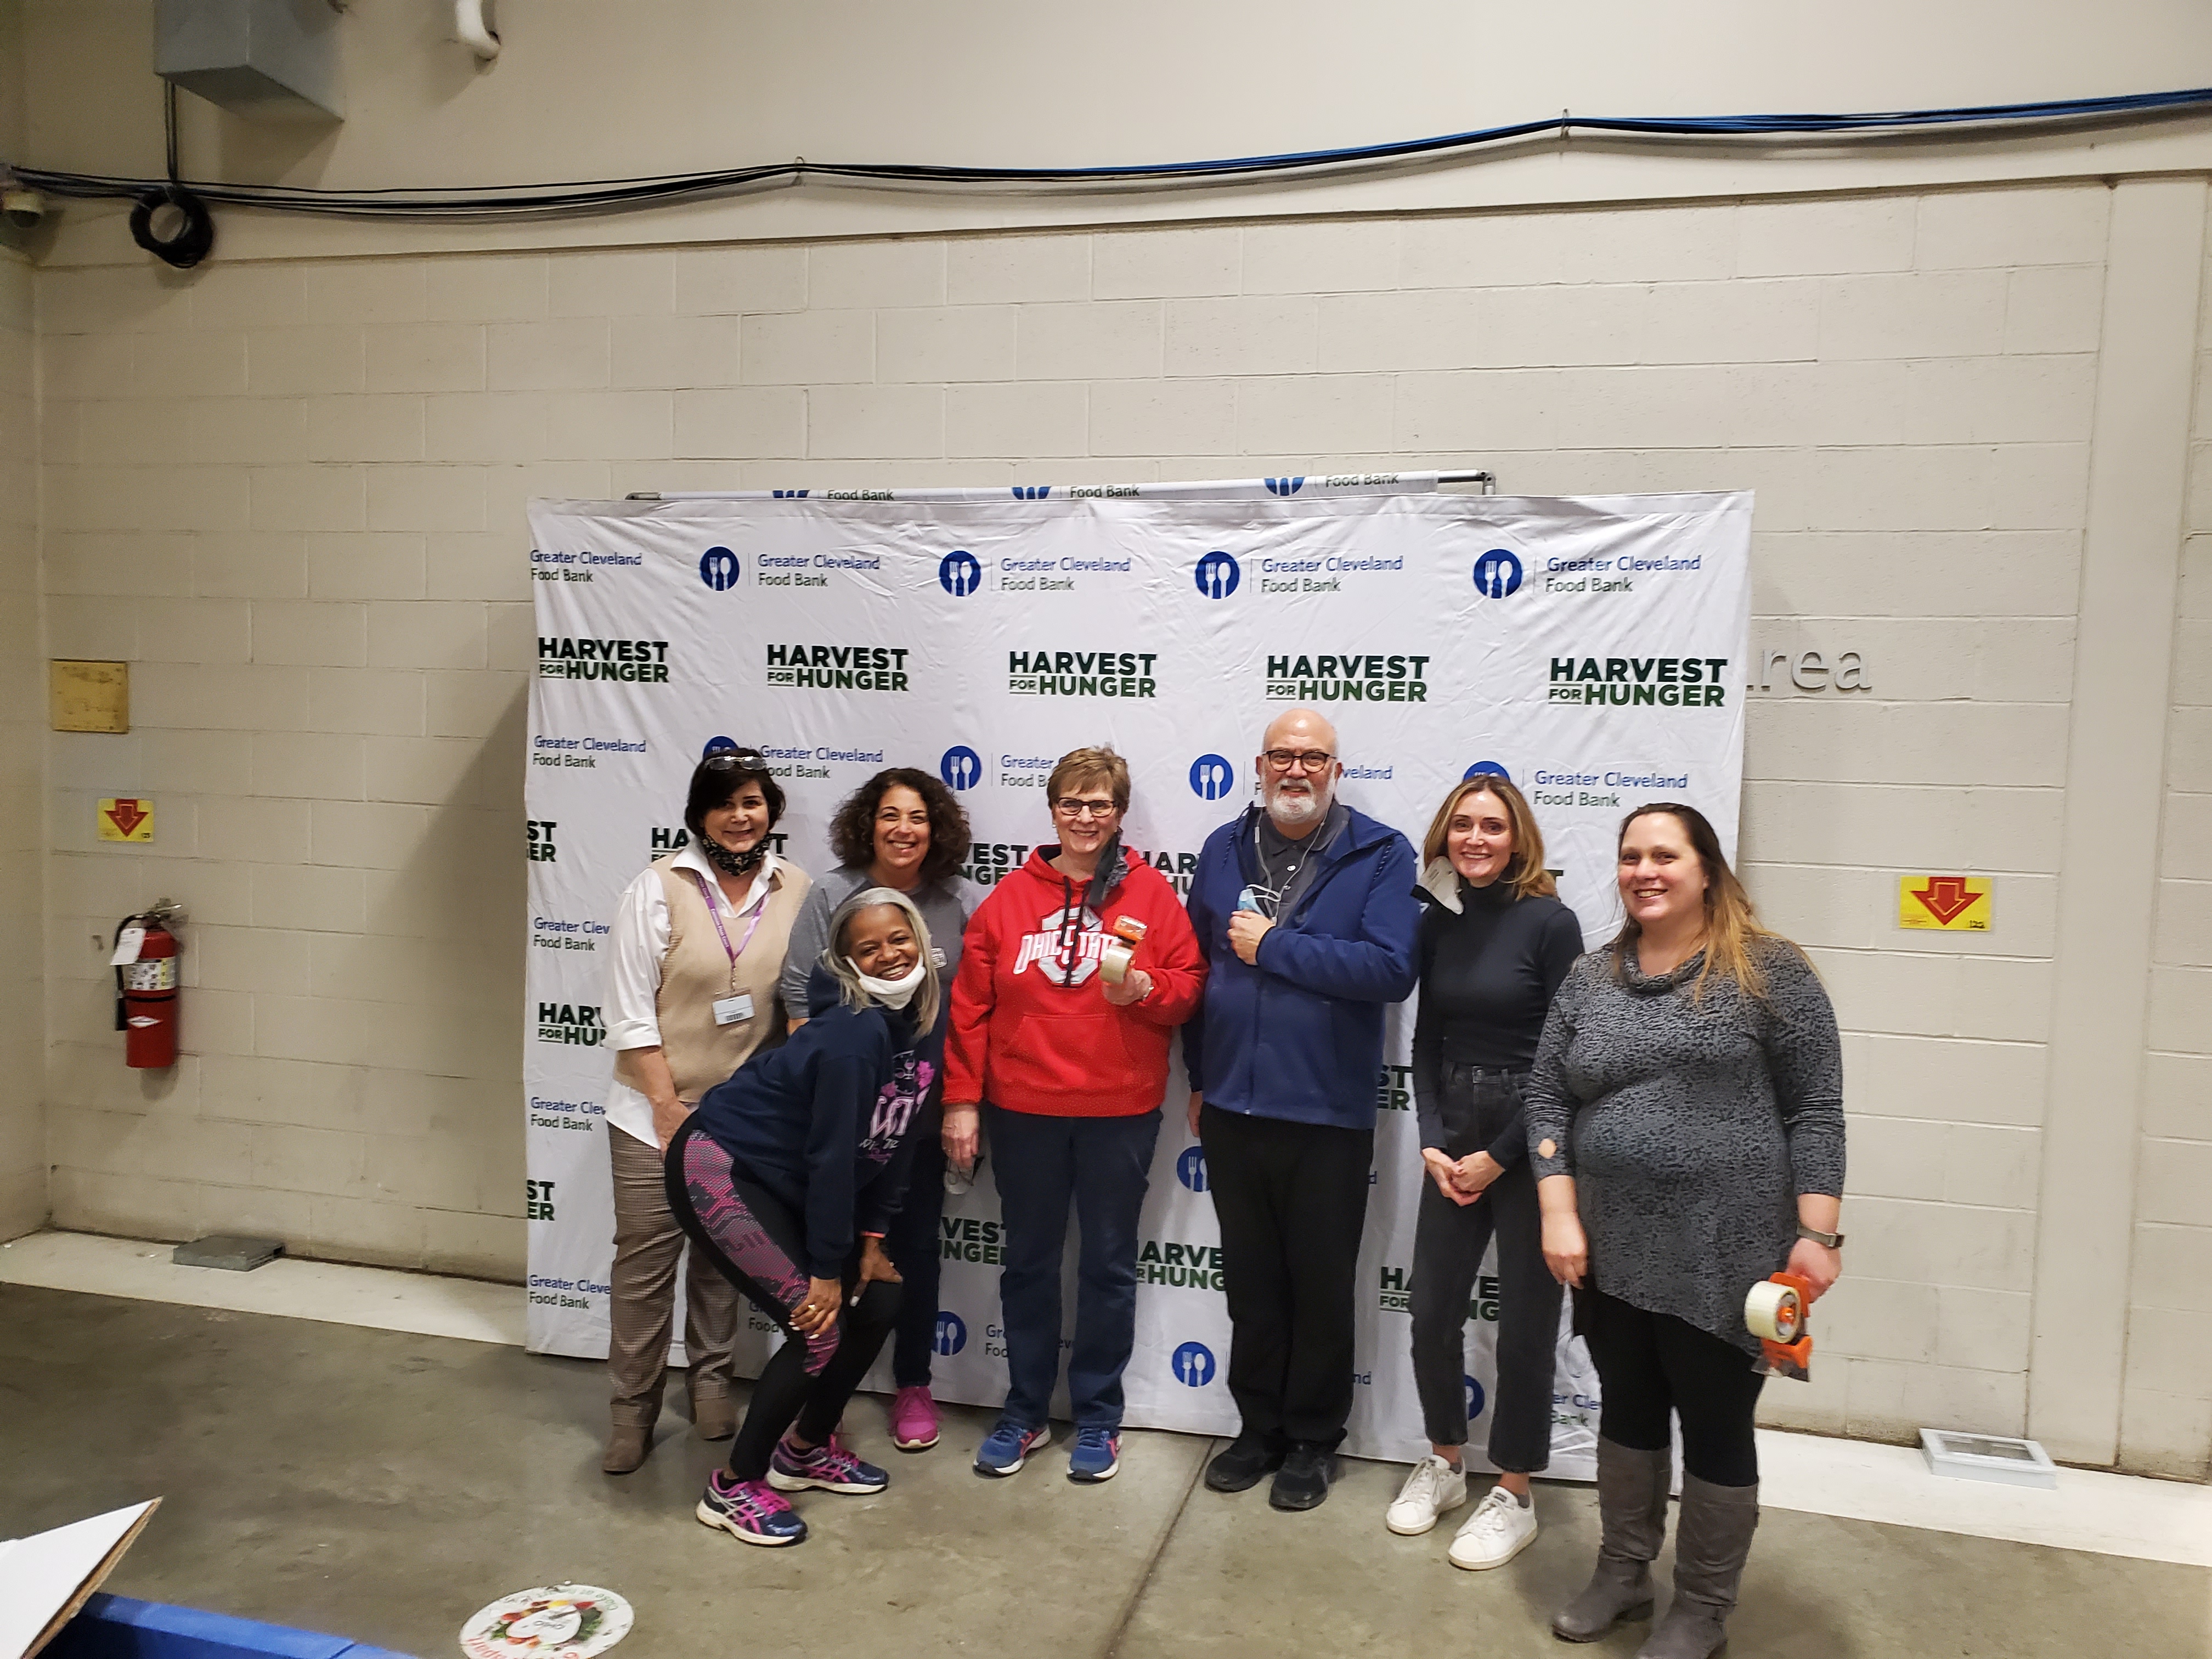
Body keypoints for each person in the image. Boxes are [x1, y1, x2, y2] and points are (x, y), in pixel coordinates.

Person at [1527, 803, 1844, 1658]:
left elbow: (1815, 1107)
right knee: (1627, 1410)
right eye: (1631, 857)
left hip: (1731, 1253)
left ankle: (1703, 1608)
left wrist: (1821, 1234)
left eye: (1664, 855)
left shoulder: (1770, 972)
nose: (1644, 871)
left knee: (1715, 1422)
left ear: (1707, 868)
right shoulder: (1592, 979)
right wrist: (1559, 1209)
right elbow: (1548, 1096)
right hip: (1610, 1244)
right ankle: (1625, 1573)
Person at [940, 747, 1206, 1483]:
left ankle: (1097, 1417)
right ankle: (1024, 1410)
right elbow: (968, 1010)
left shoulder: (1151, 896)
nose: (1086, 817)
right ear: (1053, 810)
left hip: (1118, 1111)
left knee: (1108, 1267)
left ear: (1119, 814)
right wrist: (961, 1100)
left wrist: (1146, 989)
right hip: (1023, 1110)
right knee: (1027, 1263)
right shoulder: (1008, 900)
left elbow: (1189, 990)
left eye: (1100, 805)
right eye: (1072, 804)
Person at [1183, 708, 1421, 1511]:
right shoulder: (1222, 848)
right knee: (1251, 1282)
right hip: (1232, 1107)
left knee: (1319, 1284)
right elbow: (1194, 970)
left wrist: (1274, 947)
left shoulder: (1381, 853)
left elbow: (1390, 969)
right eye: (1282, 755)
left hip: (1327, 1114)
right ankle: (1258, 1430)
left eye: (1312, 757)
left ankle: (1315, 1440)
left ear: (1335, 770)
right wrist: (1197, 1074)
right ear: (1258, 765)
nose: (1296, 770)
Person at [671, 887, 944, 1548]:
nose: (887, 955)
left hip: (785, 1178)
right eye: (867, 948)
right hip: (722, 1167)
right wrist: (824, 1270)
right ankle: (734, 1485)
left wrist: (872, 1241)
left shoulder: (922, 1022)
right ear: (847, 964)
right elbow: (831, 1161)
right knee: (818, 1324)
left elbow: (899, 1137)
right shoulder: (854, 1035)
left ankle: (805, 1451)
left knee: (879, 1299)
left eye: (897, 939)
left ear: (920, 940)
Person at [1385, 774, 1583, 1567]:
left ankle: (1515, 1492)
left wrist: (1498, 1159)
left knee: (1527, 1327)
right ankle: (1443, 1462)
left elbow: (1561, 1059)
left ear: (1518, 839)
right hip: (1454, 1131)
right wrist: (1433, 1137)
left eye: (1491, 828)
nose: (1474, 839)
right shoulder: (1441, 918)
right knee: (1431, 1312)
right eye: (1461, 826)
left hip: (1528, 1141)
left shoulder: (1551, 923)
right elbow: (1427, 1037)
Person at [597, 748, 812, 1475]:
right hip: (650, 1113)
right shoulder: (657, 888)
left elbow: (799, 1008)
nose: (741, 815)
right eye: (725, 803)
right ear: (699, 815)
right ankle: (632, 1410)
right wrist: (667, 1110)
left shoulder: (795, 888)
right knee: (646, 1267)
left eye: (753, 801)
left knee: (724, 1261)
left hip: (740, 1122)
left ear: (771, 811)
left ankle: (712, 1384)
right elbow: (630, 1018)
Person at [780, 768, 972, 1454]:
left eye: (917, 817)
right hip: (840, 1123)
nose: (903, 829)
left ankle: (913, 1383)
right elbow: (800, 1000)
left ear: (936, 828)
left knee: (912, 1255)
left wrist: (960, 1103)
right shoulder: (831, 892)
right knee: (822, 1259)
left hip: (917, 1123)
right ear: (869, 823)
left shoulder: (959, 902)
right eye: (890, 815)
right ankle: (813, 1401)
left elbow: (971, 1014)